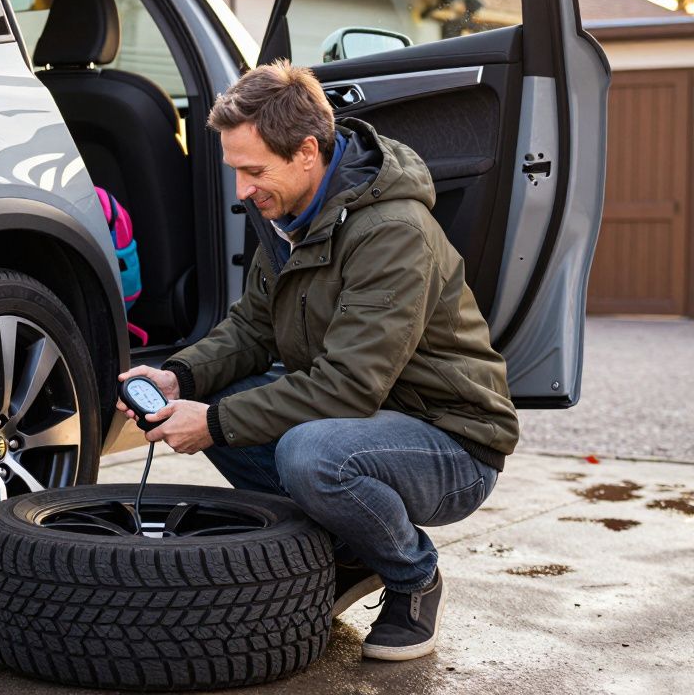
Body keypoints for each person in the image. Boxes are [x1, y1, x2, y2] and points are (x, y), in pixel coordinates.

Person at [116, 60, 518, 662]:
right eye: (236, 171)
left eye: (253, 171)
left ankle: (413, 577)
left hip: (451, 443)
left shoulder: (392, 231)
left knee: (306, 452)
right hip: (364, 425)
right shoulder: (289, 219)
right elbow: (251, 329)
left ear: (307, 152)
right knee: (231, 406)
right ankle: (353, 543)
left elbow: (348, 387)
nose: (242, 191)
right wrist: (180, 375)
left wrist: (215, 422)